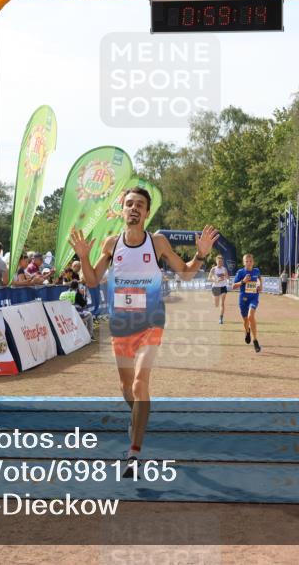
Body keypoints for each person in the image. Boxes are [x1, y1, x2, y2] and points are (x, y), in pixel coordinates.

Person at [69, 187, 218, 464]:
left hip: (151, 322)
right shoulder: (112, 244)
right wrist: (84, 257)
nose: (134, 208)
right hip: (121, 325)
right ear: (122, 210)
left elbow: (185, 275)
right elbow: (91, 281)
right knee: (127, 388)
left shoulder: (157, 242)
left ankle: (134, 453)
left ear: (147, 213)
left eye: (140, 204)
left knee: (139, 384)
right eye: (129, 204)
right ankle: (138, 416)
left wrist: (200, 255)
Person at [233, 253, 263, 353]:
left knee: (251, 316)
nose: (249, 263)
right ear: (243, 262)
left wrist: (260, 286)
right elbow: (233, 286)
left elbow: (259, 278)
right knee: (246, 320)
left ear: (253, 262)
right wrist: (243, 281)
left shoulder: (256, 271)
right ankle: (247, 332)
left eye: (250, 261)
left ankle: (255, 341)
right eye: (246, 261)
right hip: (243, 299)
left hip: (254, 297)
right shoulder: (240, 272)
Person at [209, 255, 230, 325]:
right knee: (216, 304)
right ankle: (216, 305)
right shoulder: (213, 269)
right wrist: (216, 280)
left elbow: (227, 277)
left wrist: (225, 277)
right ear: (216, 261)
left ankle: (221, 318)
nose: (220, 262)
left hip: (223, 287)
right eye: (219, 261)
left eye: (221, 261)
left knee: (222, 303)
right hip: (216, 287)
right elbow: (209, 278)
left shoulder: (224, 269)